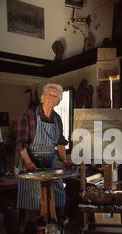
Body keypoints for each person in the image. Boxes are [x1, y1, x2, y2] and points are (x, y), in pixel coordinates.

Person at [16, 83, 72, 224]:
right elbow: (21, 144)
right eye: (49, 94)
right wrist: (29, 163)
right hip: (31, 160)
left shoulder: (57, 119)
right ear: (43, 97)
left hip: (51, 161)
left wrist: (64, 160)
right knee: (34, 197)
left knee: (58, 191)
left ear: (58, 101)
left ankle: (57, 230)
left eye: (55, 96)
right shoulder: (29, 115)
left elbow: (60, 143)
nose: (52, 98)